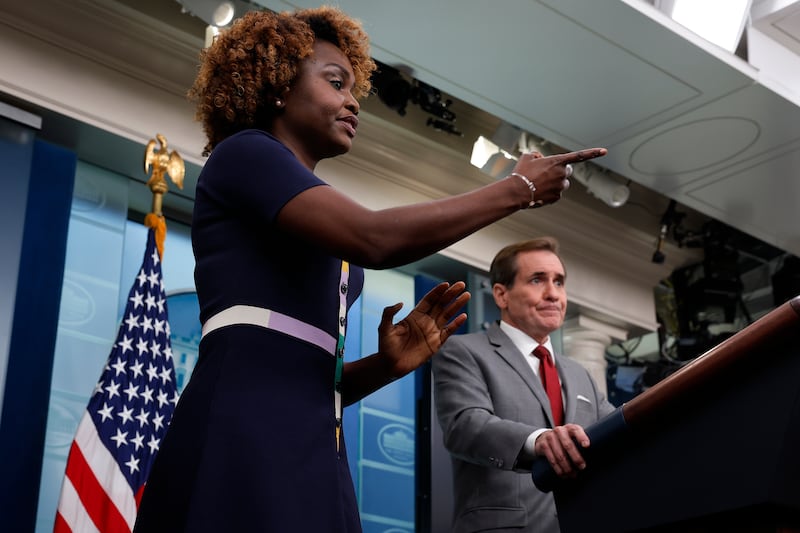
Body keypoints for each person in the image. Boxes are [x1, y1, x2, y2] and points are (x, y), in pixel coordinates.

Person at [133, 6, 607, 532]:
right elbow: (374, 239)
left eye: (354, 88)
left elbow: (309, 375)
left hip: (313, 435)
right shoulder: (245, 154)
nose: (353, 101)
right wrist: (516, 189)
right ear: (279, 86)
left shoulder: (310, 197)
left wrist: (386, 366)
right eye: (336, 83)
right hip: (244, 425)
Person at [432, 237, 616, 533]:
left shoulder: (581, 374)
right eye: (537, 280)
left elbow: (618, 433)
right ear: (501, 295)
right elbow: (464, 426)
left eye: (559, 282)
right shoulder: (464, 351)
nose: (553, 294)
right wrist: (538, 440)